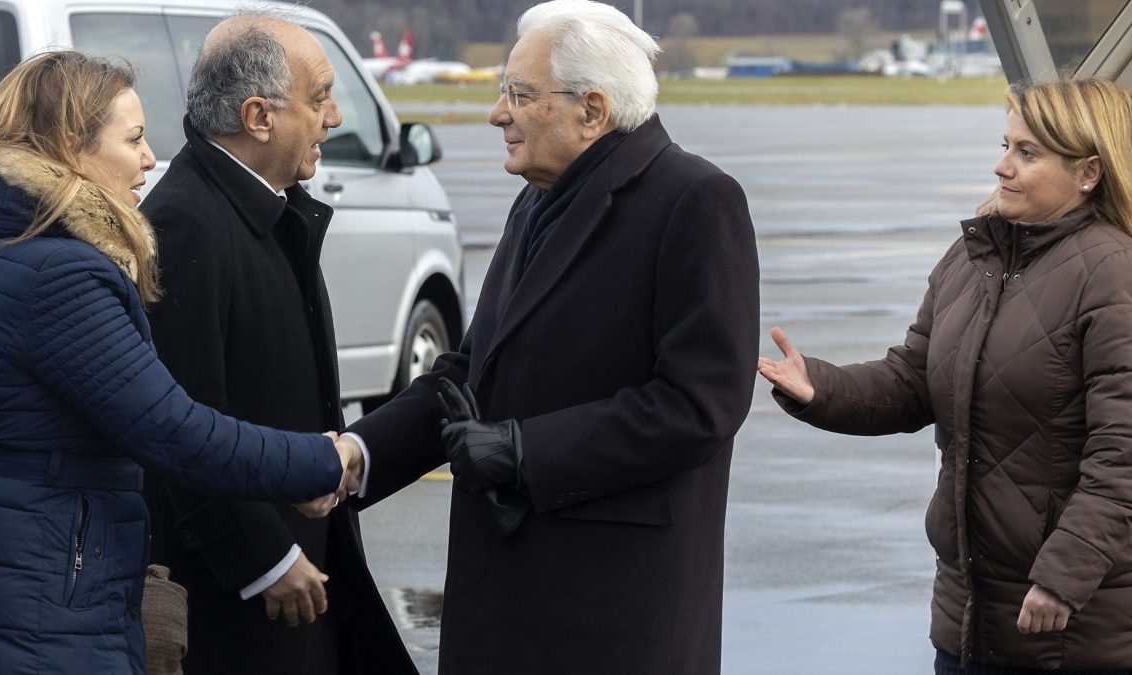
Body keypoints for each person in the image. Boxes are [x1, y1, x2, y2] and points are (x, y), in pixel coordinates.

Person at [336, 1, 759, 672]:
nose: (496, 113)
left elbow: (699, 404)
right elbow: (470, 372)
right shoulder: (537, 196)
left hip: (609, 615)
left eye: (519, 95)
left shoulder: (695, 200)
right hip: (506, 602)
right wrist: (356, 455)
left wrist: (526, 451)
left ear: (592, 110)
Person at [0, 50, 355, 675]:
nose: (151, 159)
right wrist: (323, 459)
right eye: (132, 139)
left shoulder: (14, 242)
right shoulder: (60, 271)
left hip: (29, 563)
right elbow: (175, 431)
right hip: (42, 585)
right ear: (73, 146)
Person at [758, 78, 1132, 673]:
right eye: (1006, 144)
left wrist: (1063, 579)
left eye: (1026, 152)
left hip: (1067, 626)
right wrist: (820, 388)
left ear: (1088, 172)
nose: (1001, 165)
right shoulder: (973, 258)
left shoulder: (1114, 274)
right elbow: (913, 380)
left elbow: (1123, 454)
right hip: (967, 616)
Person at [138, 12, 416, 675]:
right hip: (240, 601)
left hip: (295, 574)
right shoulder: (187, 226)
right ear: (259, 116)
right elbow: (179, 429)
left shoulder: (263, 208)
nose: (335, 117)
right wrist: (263, 558)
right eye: (319, 97)